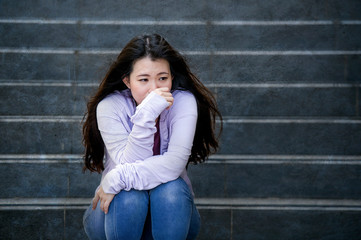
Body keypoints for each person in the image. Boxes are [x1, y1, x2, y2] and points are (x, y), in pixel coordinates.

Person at [82, 33, 222, 240]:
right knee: (129, 196)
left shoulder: (183, 102)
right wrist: (147, 113)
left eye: (163, 78)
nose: (155, 89)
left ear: (172, 78)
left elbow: (174, 163)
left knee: (172, 189)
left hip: (172, 214)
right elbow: (128, 162)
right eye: (143, 79)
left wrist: (117, 177)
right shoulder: (110, 106)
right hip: (115, 215)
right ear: (127, 81)